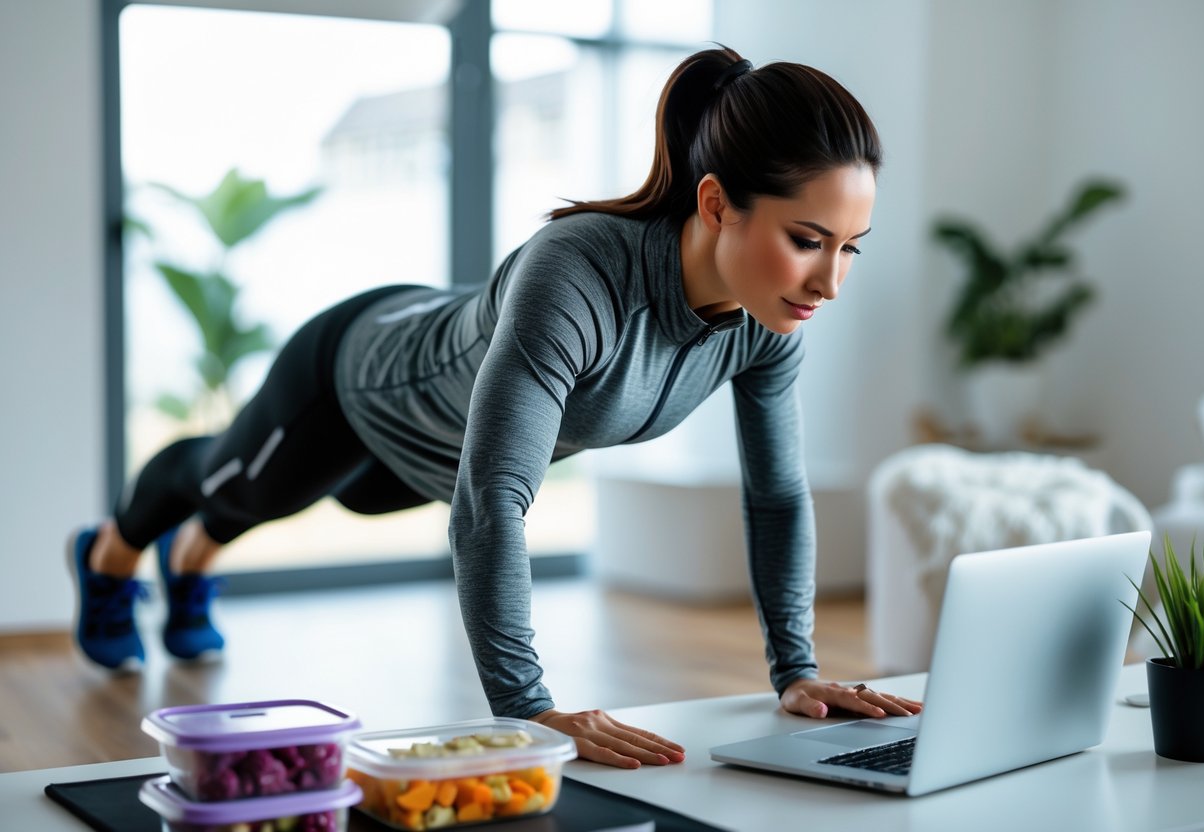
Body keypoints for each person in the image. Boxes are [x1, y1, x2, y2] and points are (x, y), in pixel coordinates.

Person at [69, 45, 922, 768]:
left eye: (849, 247)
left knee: (296, 502)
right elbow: (493, 503)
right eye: (806, 241)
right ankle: (109, 558)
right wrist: (530, 710)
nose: (830, 281)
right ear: (713, 204)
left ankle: (191, 562)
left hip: (440, 455)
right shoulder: (580, 274)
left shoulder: (766, 326)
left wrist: (797, 672)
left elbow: (774, 495)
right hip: (356, 379)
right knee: (239, 486)